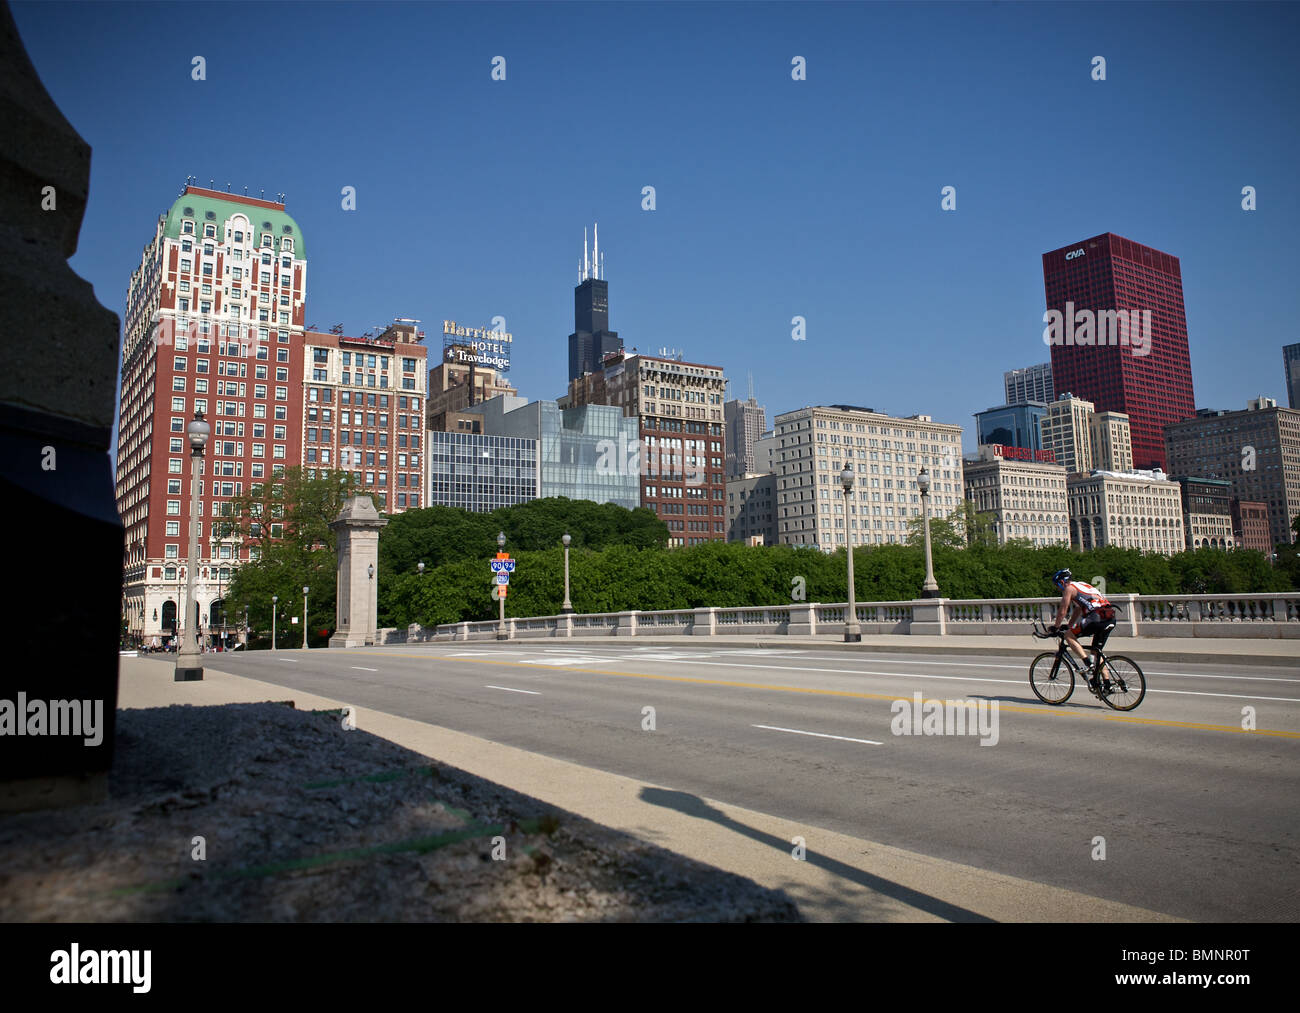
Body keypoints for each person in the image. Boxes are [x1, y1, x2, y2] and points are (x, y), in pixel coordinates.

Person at [1048, 569, 1117, 695]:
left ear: (1062, 582)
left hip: (1096, 617)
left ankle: (1087, 663)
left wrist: (1056, 627)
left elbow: (1063, 610)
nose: (1058, 588)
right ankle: (1107, 684)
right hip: (1109, 616)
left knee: (1069, 636)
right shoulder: (1082, 585)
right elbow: (1078, 609)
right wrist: (1070, 625)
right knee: (1096, 652)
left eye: (1058, 585)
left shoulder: (1068, 589)